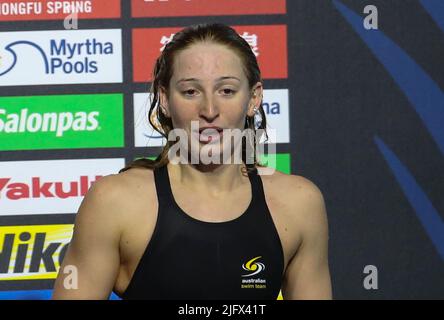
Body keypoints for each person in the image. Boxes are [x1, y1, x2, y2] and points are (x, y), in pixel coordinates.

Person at [52, 23, 332, 300]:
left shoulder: (299, 204)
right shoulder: (115, 202)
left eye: (226, 91)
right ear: (164, 99)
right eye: (190, 92)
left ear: (253, 98)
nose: (209, 110)